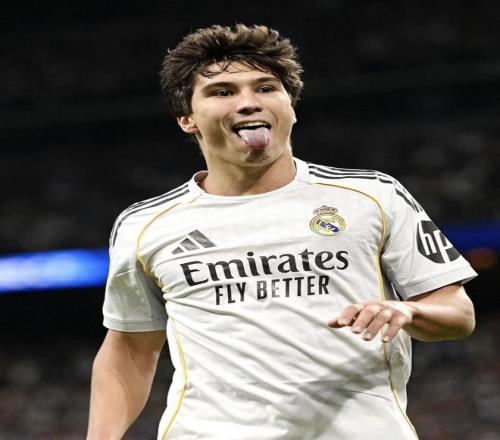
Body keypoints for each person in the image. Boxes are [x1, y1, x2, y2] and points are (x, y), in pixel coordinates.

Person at [87, 24, 477, 440]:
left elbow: (458, 313)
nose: (249, 103)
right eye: (222, 92)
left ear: (290, 105)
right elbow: (130, 348)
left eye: (266, 88)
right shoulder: (145, 225)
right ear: (187, 118)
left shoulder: (373, 196)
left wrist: (409, 311)